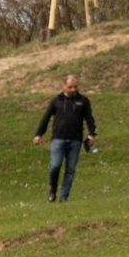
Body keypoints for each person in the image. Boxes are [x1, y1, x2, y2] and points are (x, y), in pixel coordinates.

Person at [33, 75, 97, 203]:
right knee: (55, 165)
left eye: (75, 87)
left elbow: (89, 119)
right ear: (64, 86)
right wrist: (39, 134)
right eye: (70, 87)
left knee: (70, 169)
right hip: (58, 138)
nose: (73, 89)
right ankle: (52, 188)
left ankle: (64, 196)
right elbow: (46, 118)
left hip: (76, 140)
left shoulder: (83, 101)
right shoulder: (56, 101)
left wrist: (92, 134)